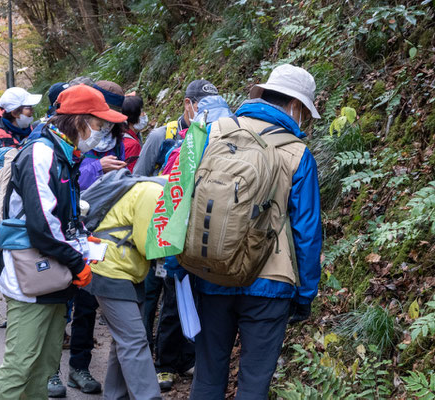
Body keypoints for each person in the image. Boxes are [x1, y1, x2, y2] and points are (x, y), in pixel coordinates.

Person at [184, 64, 322, 399]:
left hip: (211, 270)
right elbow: (306, 231)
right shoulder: (298, 153)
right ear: (297, 107)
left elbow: (181, 200)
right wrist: (304, 293)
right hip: (270, 283)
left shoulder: (211, 132)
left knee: (207, 375)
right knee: (254, 382)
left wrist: (180, 266)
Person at [0, 83, 127, 400]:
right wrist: (78, 262)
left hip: (55, 275)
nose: (102, 132)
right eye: (99, 124)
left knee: (45, 363)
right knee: (20, 366)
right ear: (78, 120)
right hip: (31, 278)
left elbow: (61, 215)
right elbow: (42, 226)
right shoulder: (41, 153)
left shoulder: (65, 153)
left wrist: (80, 238)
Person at [139, 79, 219, 392]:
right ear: (188, 103)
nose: (205, 110)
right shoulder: (163, 135)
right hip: (160, 229)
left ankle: (181, 358)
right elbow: (139, 180)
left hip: (192, 231)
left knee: (185, 296)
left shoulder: (213, 134)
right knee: (157, 298)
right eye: (201, 104)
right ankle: (153, 359)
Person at [59, 79, 127, 396]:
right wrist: (98, 167)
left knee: (87, 304)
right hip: (68, 229)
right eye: (104, 114)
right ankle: (47, 371)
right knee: (59, 300)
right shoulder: (63, 138)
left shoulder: (116, 136)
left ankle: (79, 368)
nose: (107, 121)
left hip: (102, 228)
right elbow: (67, 180)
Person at [84, 175, 164, 400]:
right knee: (134, 340)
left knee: (125, 340)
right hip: (111, 269)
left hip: (126, 270)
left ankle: (115, 396)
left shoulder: (150, 187)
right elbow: (147, 245)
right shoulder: (154, 193)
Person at [0, 87, 42, 329]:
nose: (31, 112)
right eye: (27, 108)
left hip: (21, 206)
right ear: (14, 112)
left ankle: (17, 309)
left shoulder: (32, 134)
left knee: (20, 257)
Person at [121, 95, 146, 172]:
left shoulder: (122, 133)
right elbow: (132, 173)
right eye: (141, 112)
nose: (144, 114)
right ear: (134, 117)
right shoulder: (132, 145)